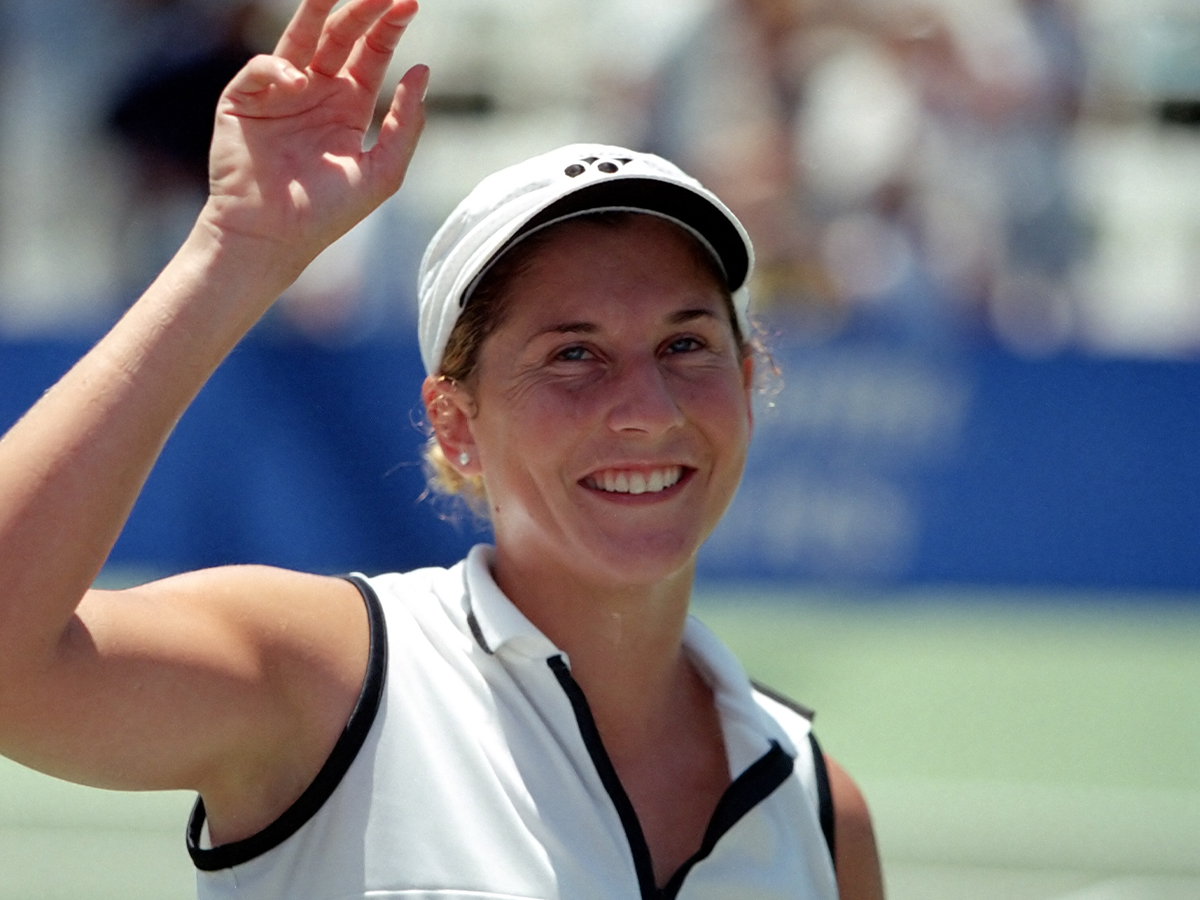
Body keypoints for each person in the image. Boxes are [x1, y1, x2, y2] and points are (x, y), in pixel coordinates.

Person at [0, 0, 884, 897]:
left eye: (685, 344)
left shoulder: (820, 812)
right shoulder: (333, 679)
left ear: (746, 380)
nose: (647, 410)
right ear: (455, 424)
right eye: (573, 355)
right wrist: (234, 251)